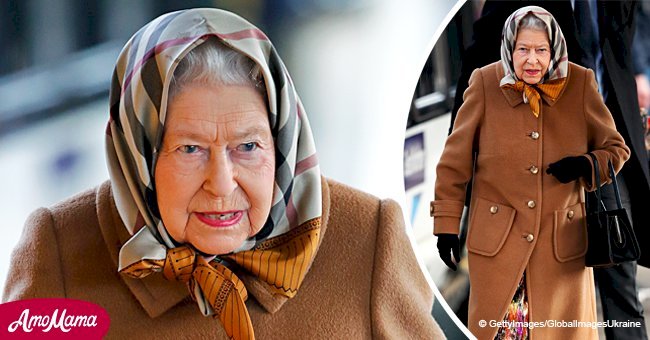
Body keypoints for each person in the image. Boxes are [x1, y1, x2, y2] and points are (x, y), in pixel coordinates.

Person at [2, 8, 444, 339]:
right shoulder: (59, 249)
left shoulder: (368, 236)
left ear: (282, 140)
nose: (222, 182)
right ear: (138, 155)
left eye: (248, 146)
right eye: (190, 149)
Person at [450, 2, 649, 339]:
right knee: (542, 290)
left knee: (621, 290)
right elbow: (478, 60)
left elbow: (616, 58)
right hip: (540, 162)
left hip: (604, 155)